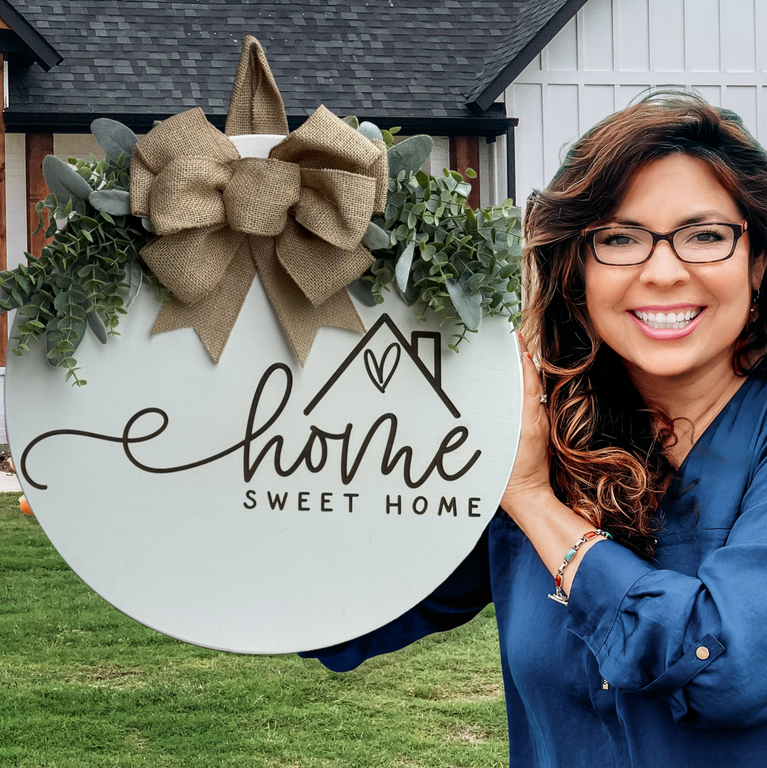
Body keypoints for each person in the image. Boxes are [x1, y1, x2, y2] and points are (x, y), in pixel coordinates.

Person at [300, 92, 767, 765]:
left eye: (705, 235)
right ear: (577, 270)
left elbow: (727, 670)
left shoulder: (525, 470)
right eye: (619, 238)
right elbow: (347, 612)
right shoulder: (539, 430)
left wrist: (530, 501)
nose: (664, 272)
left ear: (757, 264)